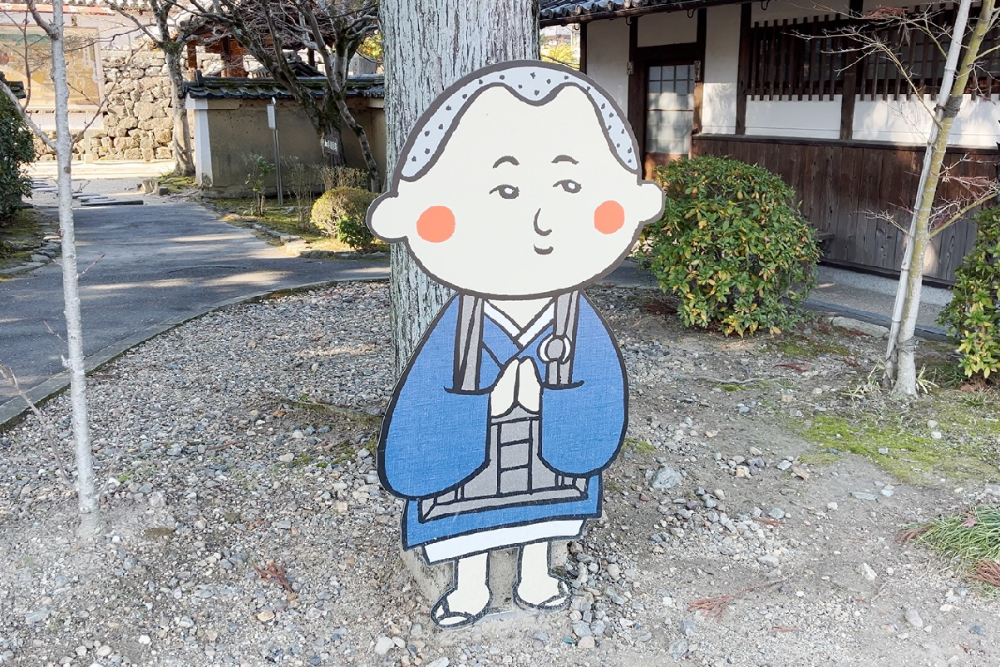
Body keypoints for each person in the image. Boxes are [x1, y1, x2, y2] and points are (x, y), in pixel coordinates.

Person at [367, 61, 665, 628]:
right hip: (476, 453)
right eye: (504, 190)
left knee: (543, 513)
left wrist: (556, 397)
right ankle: (470, 585)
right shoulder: (458, 328)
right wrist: (482, 401)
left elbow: (599, 403)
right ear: (421, 215)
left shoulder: (578, 321)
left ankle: (536, 574)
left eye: (569, 186)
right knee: (467, 510)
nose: (540, 219)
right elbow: (422, 416)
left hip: (548, 453)